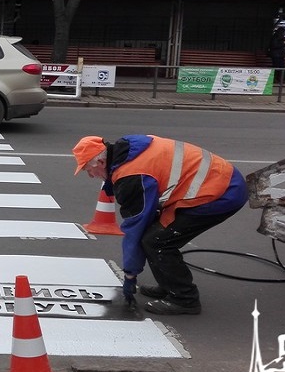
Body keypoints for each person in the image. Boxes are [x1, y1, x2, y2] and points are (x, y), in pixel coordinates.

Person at [72, 135, 248, 315]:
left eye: (88, 169)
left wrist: (130, 275)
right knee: (155, 235)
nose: (91, 176)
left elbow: (135, 229)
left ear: (101, 161)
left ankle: (185, 299)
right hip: (218, 179)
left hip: (221, 193)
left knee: (157, 241)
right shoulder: (128, 149)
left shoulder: (131, 175)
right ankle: (168, 286)